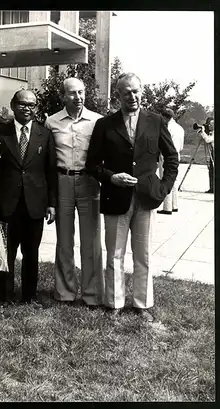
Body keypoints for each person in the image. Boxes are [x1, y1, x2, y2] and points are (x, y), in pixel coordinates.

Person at [85, 73, 179, 322]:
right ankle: (114, 304)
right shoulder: (105, 124)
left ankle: (142, 304)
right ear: (118, 95)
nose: (132, 96)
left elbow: (171, 157)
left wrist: (165, 187)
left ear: (142, 91)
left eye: (136, 91)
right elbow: (92, 164)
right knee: (114, 253)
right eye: (126, 92)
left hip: (147, 198)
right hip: (116, 197)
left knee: (143, 253)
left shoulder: (156, 121)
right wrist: (111, 177)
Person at [0, 90, 57, 303]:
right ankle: (6, 295)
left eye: (31, 105)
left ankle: (30, 296)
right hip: (8, 203)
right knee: (7, 253)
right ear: (12, 105)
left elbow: (50, 172)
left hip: (35, 204)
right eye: (22, 104)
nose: (27, 108)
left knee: (31, 253)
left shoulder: (44, 135)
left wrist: (51, 204)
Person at [44, 78, 104, 307]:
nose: (78, 97)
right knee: (64, 240)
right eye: (72, 93)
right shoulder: (52, 122)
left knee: (91, 240)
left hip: (89, 182)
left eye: (81, 92)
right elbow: (48, 161)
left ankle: (92, 294)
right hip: (63, 182)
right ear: (62, 96)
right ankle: (65, 292)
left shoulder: (97, 121)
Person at [157, 108, 185, 214]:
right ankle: (175, 205)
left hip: (166, 155)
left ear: (164, 117)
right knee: (175, 180)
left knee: (166, 179)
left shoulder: (167, 128)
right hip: (176, 154)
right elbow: (181, 146)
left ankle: (167, 207)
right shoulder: (180, 128)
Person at [198, 117, 214, 194]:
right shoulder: (212, 132)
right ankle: (212, 188)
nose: (209, 126)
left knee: (213, 170)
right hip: (213, 152)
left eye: (210, 124)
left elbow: (208, 140)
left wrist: (203, 132)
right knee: (211, 170)